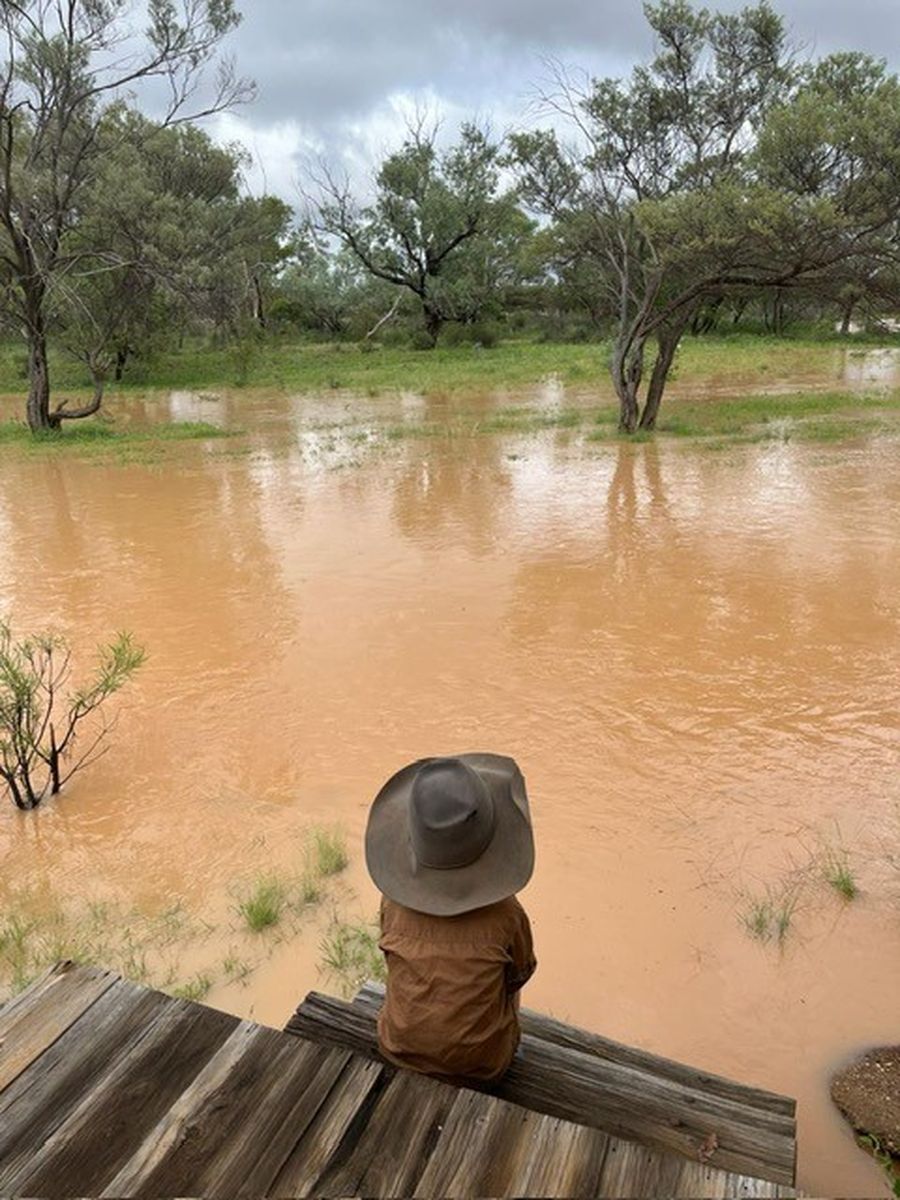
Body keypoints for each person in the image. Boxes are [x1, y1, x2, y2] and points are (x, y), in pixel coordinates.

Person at [364, 752, 536, 1083]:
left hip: (397, 1049)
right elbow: (520, 974)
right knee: (507, 988)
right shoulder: (507, 915)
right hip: (483, 1067)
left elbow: (391, 959)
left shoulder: (392, 901)